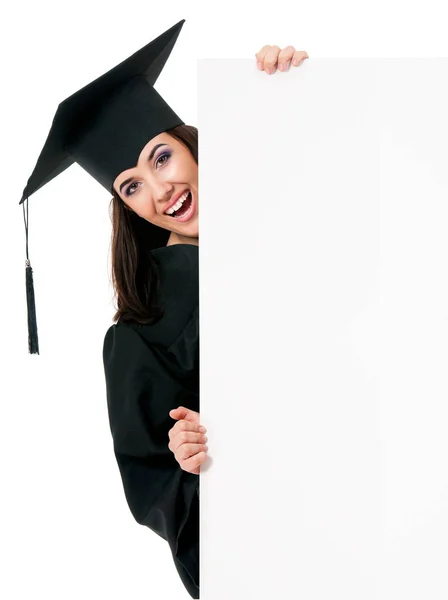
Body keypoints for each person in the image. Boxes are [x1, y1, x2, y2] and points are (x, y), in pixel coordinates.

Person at [19, 17, 308, 599]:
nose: (159, 192)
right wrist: (196, 459)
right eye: (130, 186)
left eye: (161, 158)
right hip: (294, 545)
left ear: (191, 144)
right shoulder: (143, 330)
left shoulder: (287, 206)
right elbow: (165, 499)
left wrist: (290, 91)